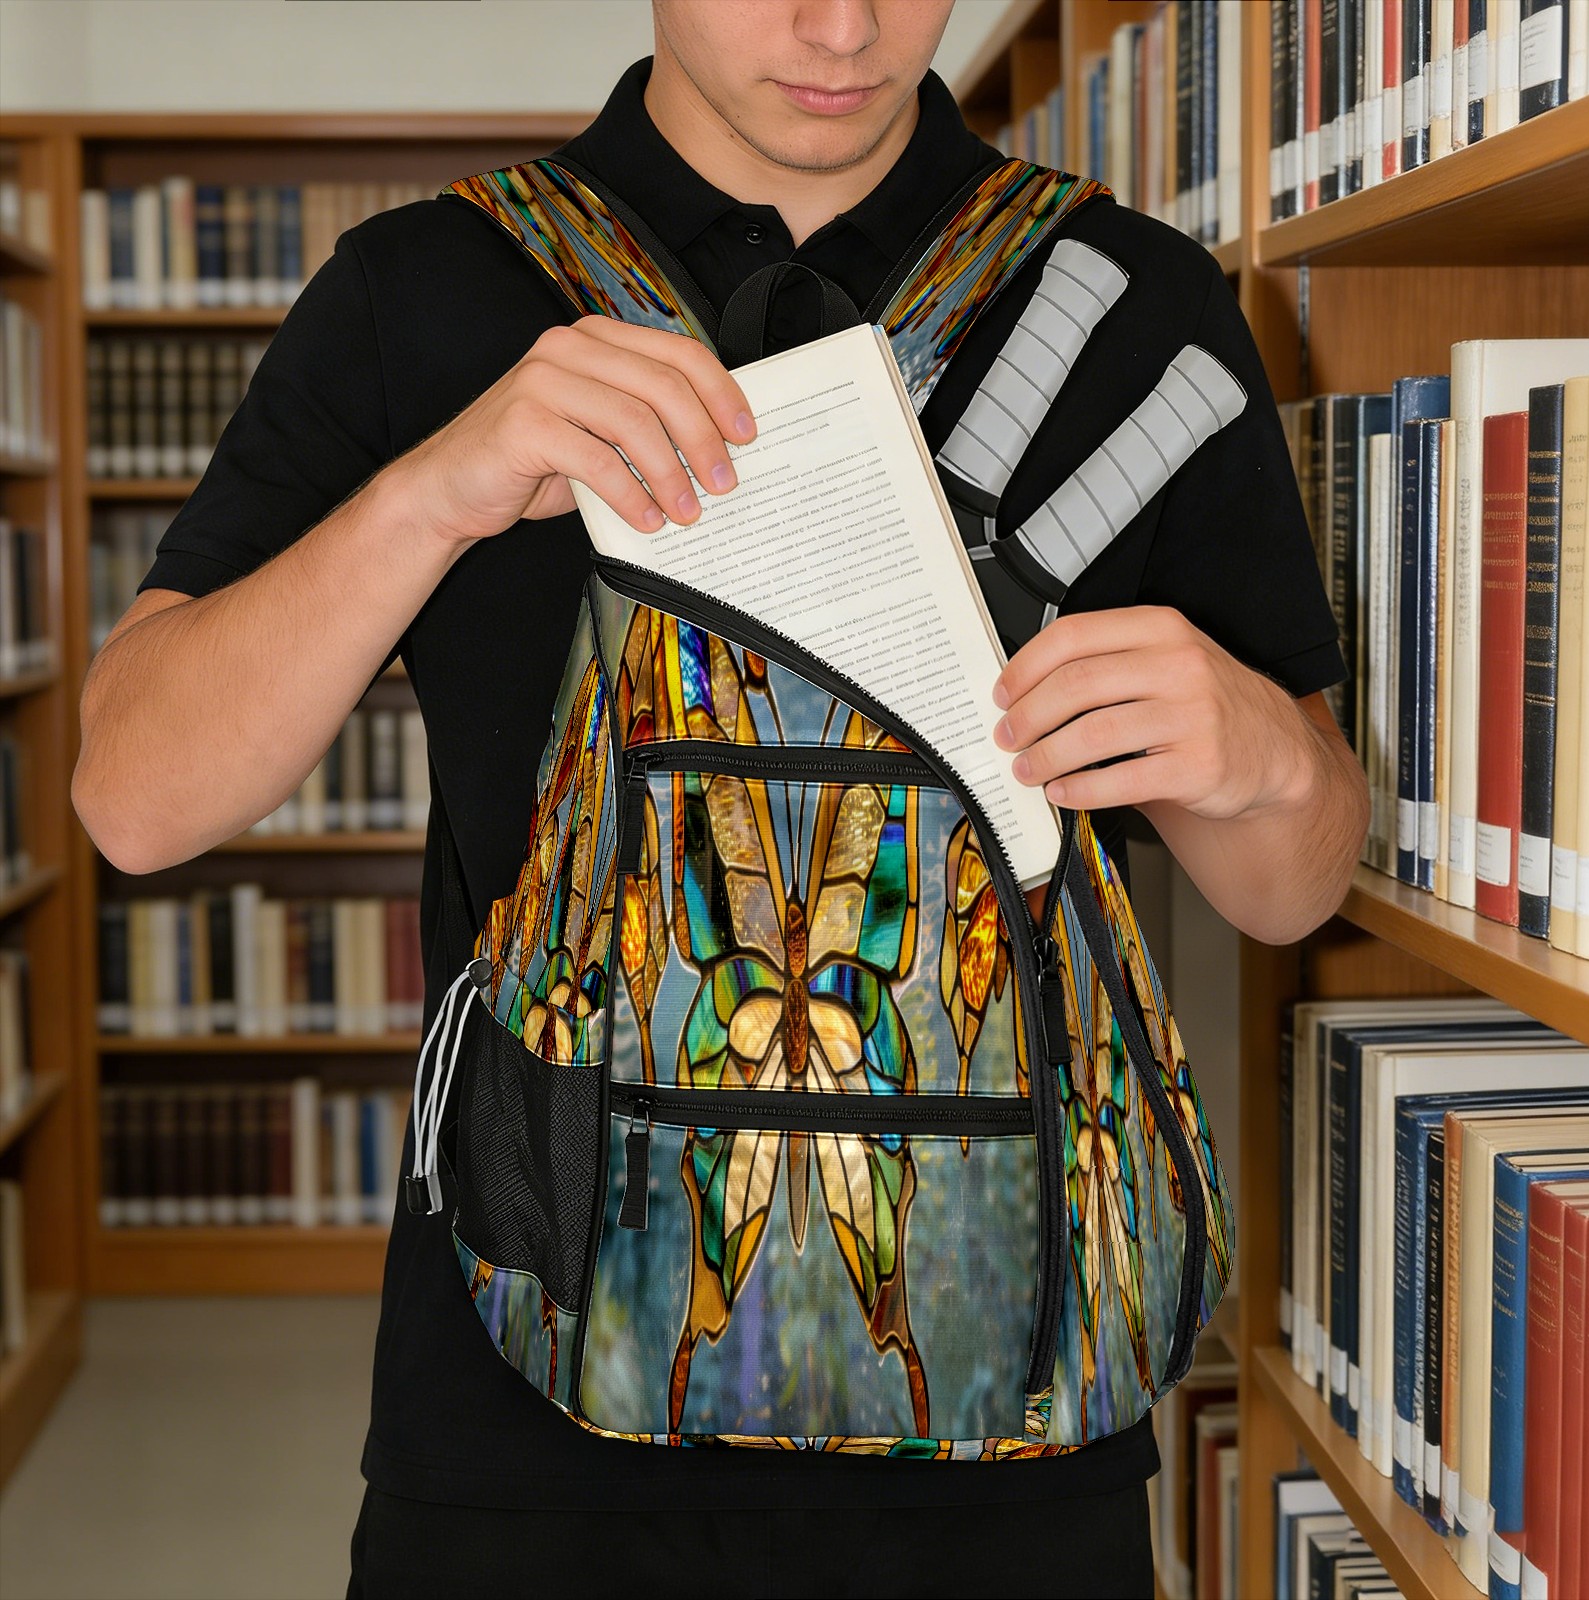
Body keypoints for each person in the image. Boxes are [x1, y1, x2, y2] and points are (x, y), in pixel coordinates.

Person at [71, 2, 1369, 1594]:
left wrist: (1266, 753)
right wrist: (429, 496)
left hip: (1019, 1424)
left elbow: (1292, 890)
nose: (844, 25)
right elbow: (134, 798)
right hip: (526, 1436)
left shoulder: (1130, 305)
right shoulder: (426, 292)